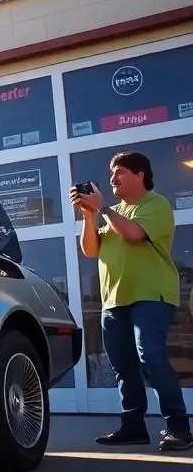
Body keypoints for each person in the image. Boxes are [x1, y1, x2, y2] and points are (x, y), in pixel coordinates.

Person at [72, 152, 192, 452]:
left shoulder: (155, 204)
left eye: (120, 171)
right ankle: (133, 428)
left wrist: (102, 208)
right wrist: (88, 216)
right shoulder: (113, 212)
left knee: (151, 357)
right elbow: (90, 250)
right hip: (114, 300)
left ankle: (179, 428)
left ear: (140, 175)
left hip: (151, 296)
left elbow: (133, 234)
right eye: (112, 172)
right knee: (123, 367)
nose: (113, 178)